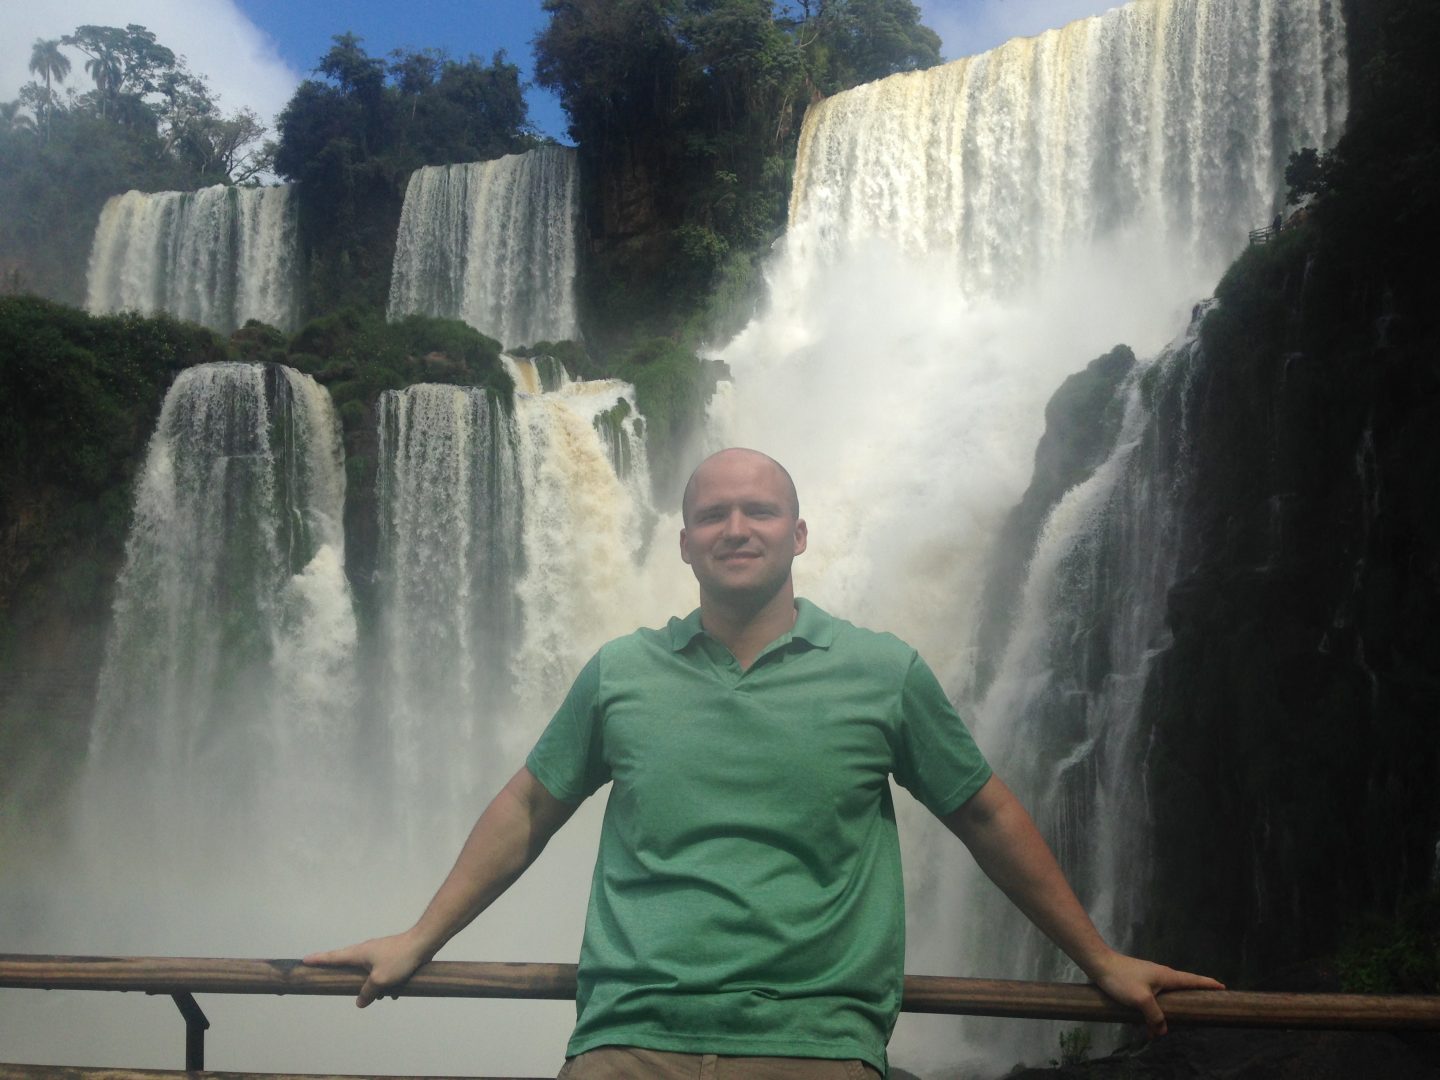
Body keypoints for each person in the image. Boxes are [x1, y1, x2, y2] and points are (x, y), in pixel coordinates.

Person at [306, 447, 1222, 1078]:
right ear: (684, 542)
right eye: (712, 514)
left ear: (799, 534)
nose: (735, 527)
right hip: (629, 1043)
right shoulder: (620, 672)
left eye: (759, 510)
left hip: (814, 1045)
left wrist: (1098, 959)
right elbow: (526, 809)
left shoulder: (883, 672)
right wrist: (420, 939)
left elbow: (985, 814)